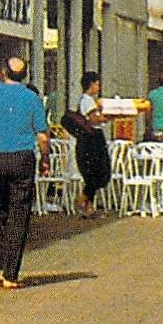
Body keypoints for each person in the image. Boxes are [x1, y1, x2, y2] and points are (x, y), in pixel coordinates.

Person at [0, 56, 51, 289]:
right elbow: (43, 136)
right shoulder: (32, 98)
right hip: (22, 158)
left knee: (0, 210)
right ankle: (10, 272)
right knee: (19, 213)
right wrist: (45, 159)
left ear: (3, 72)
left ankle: (4, 261)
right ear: (25, 76)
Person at [71, 71, 112, 218]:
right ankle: (82, 199)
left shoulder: (87, 100)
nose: (98, 87)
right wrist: (107, 117)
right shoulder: (87, 101)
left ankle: (89, 207)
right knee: (99, 171)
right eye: (97, 84)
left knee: (93, 174)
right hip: (92, 139)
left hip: (89, 138)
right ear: (91, 84)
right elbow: (93, 119)